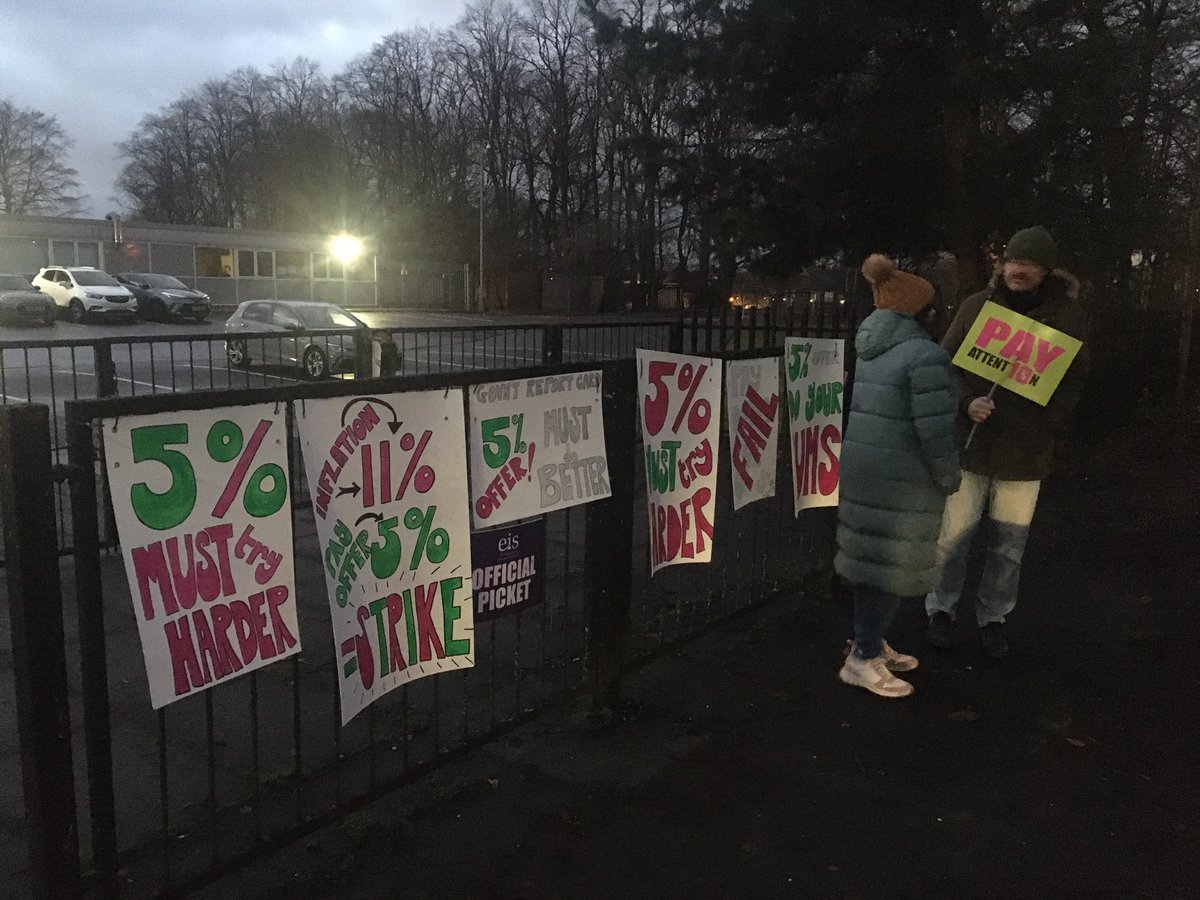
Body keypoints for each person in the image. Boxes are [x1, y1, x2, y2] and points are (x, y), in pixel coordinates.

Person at [925, 226, 1089, 658]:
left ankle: (993, 617)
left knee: (1009, 547)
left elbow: (1073, 382)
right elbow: (944, 367)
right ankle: (940, 608)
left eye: (1031, 266)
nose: (1019, 271)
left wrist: (1047, 425)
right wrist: (966, 404)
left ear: (1046, 272)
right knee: (952, 537)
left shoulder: (1066, 319)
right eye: (1014, 263)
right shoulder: (976, 307)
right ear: (1002, 266)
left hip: (1026, 454)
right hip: (972, 447)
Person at [836, 255, 962, 698]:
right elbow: (935, 431)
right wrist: (950, 477)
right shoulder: (925, 356)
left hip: (866, 470)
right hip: (904, 482)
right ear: (921, 310)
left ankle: (868, 640)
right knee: (890, 566)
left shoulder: (870, 346)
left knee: (869, 561)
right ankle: (863, 657)